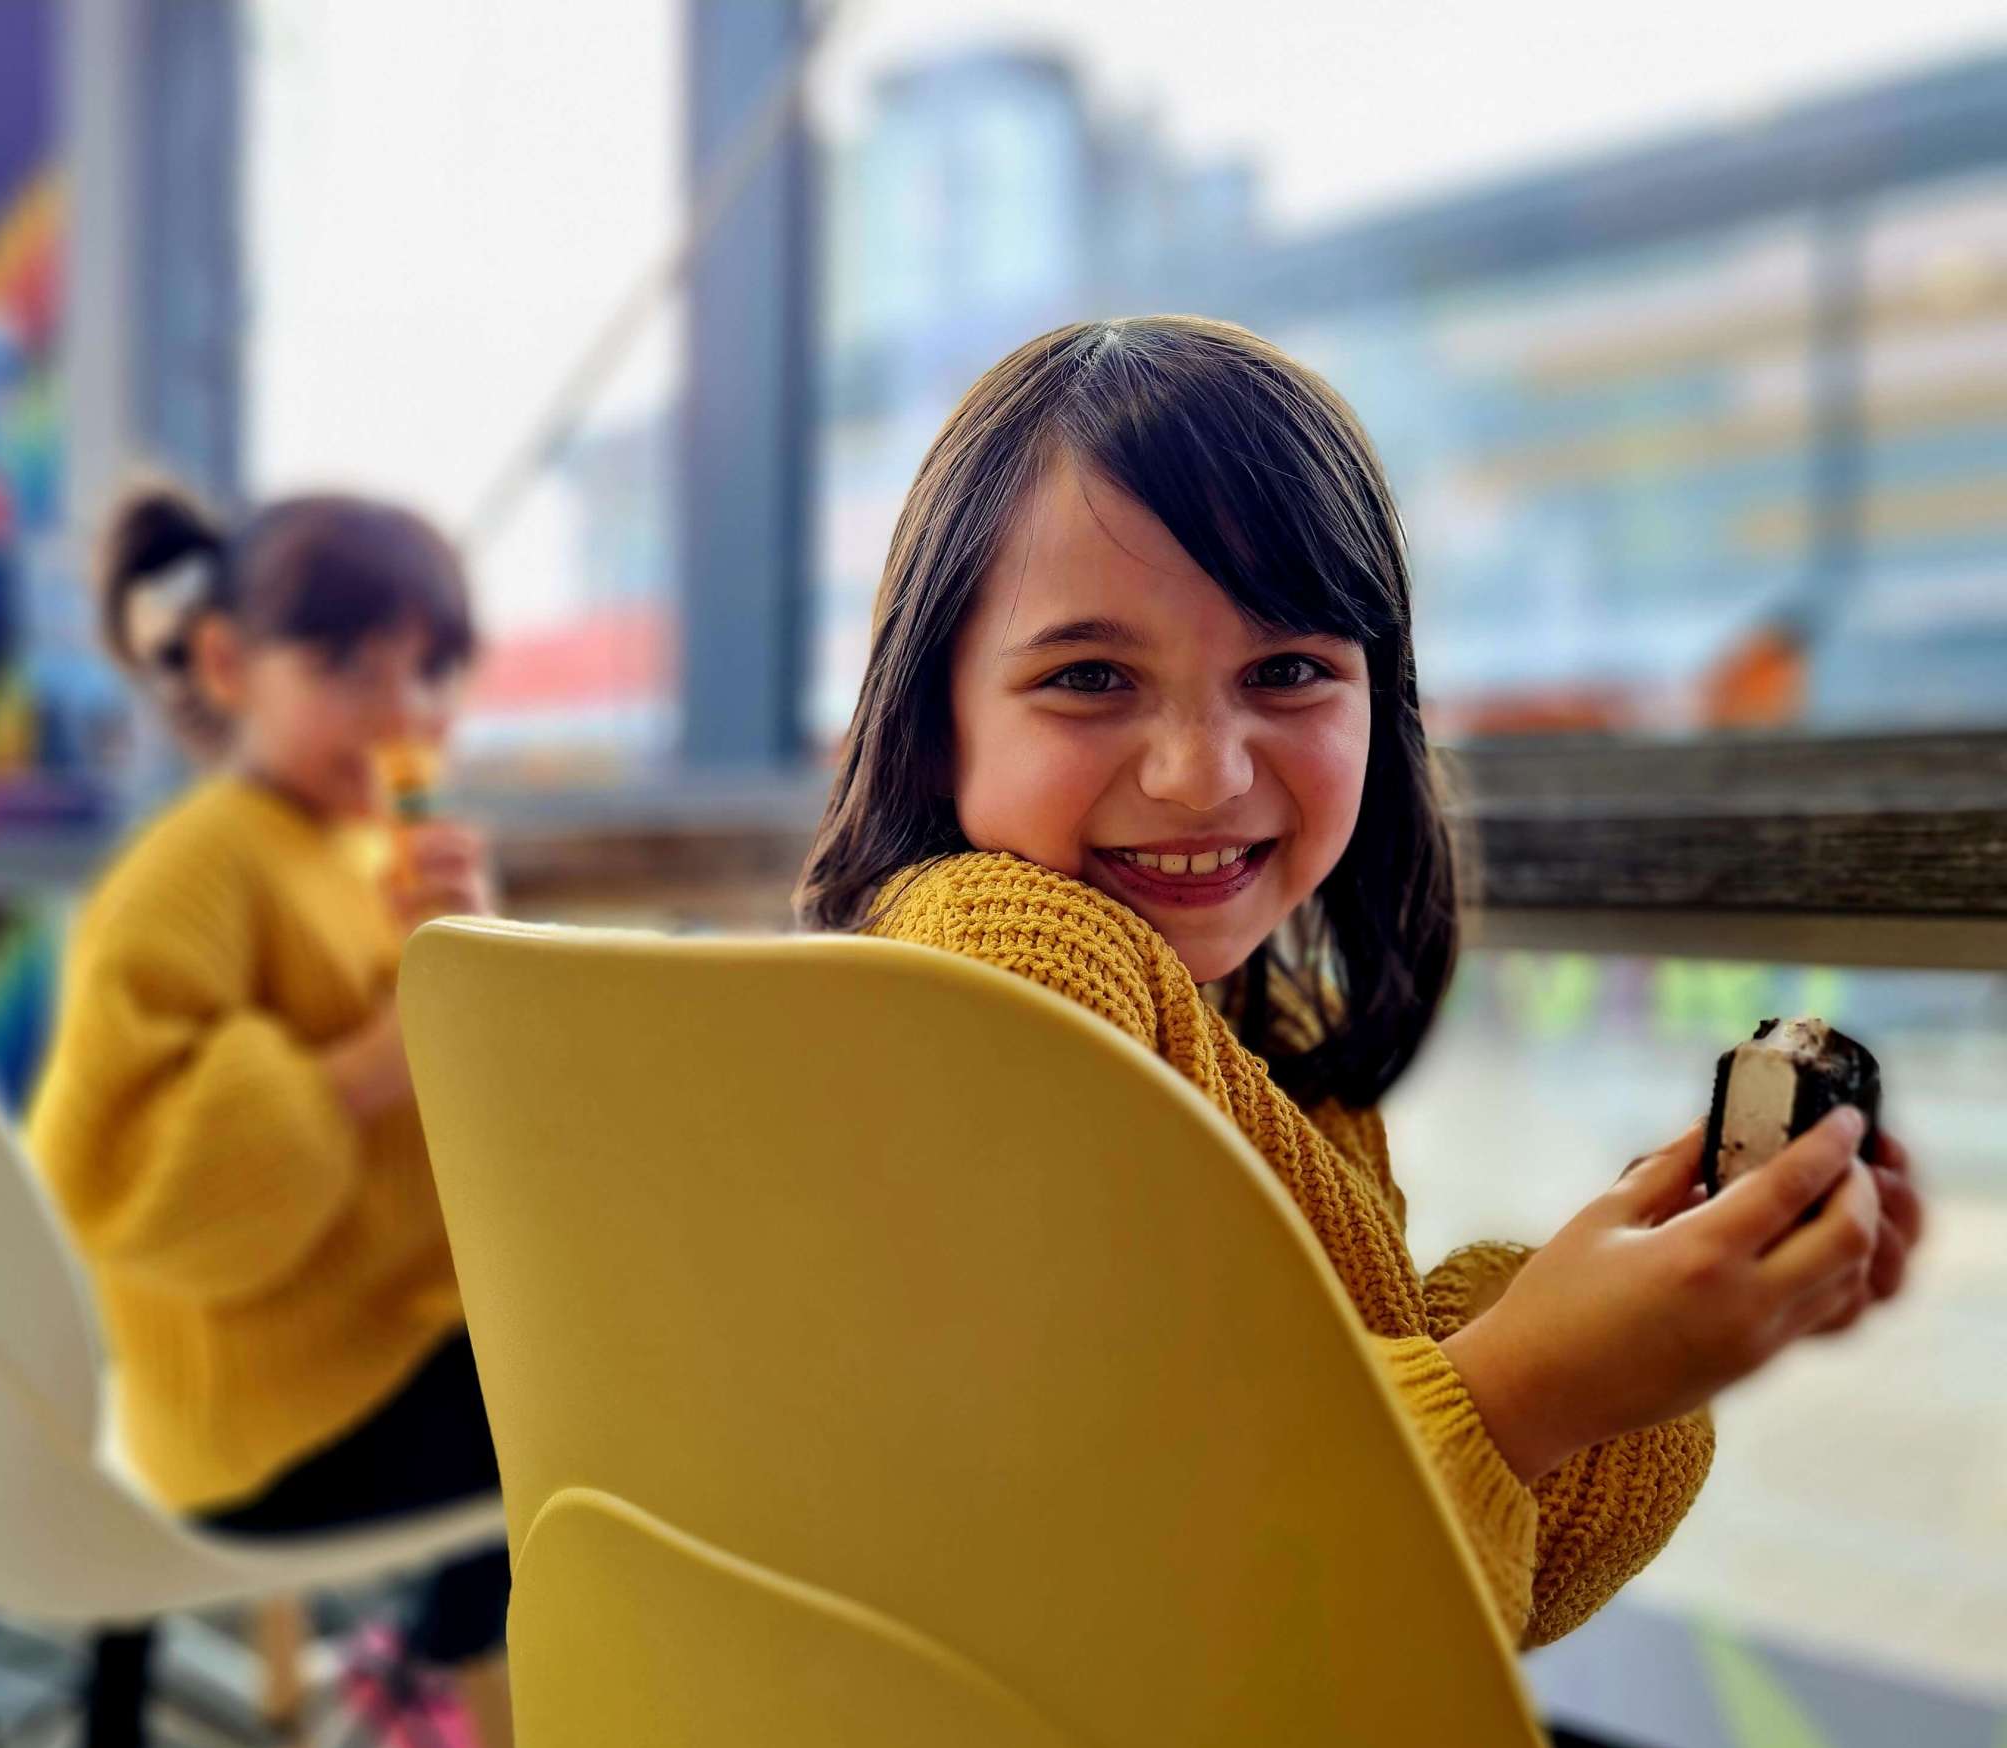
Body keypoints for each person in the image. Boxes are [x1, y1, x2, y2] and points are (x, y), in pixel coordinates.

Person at [799, 316, 1924, 1660]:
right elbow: (1158, 1606)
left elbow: (1442, 1595)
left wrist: (1643, 1311)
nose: (1200, 772)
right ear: (929, 726)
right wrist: (1533, 1381)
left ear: (1379, 709)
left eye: (1287, 672)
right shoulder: (1005, 949)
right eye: (1089, 678)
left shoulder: (1267, 1049)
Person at [28, 485, 517, 1748]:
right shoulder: (195, 867)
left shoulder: (355, 854)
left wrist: (473, 966)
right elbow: (121, 1181)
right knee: (619, 1394)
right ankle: (477, 1685)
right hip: (267, 1419)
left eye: (431, 669)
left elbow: (455, 1123)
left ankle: (460, 1661)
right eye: (350, 666)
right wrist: (378, 1055)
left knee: (603, 1346)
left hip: (363, 1355)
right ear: (231, 666)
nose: (405, 709)